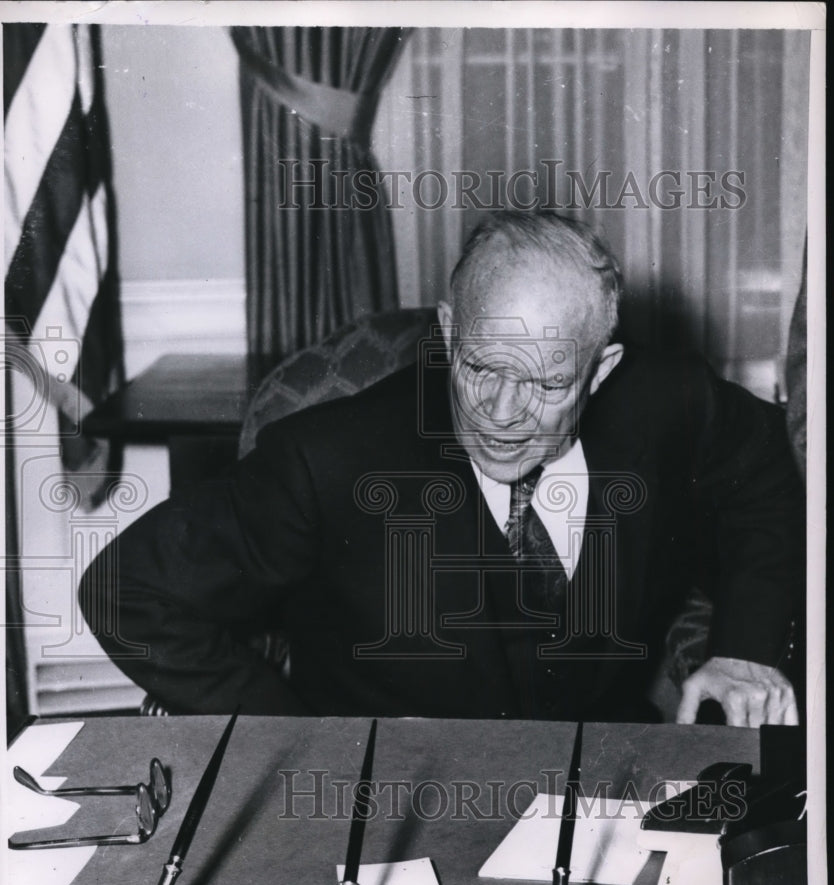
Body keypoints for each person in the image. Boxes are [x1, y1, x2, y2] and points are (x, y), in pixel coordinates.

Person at [79, 211, 804, 725]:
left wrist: (744, 649)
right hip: (386, 814)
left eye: (547, 385)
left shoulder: (666, 400)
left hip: (605, 794)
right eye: (481, 367)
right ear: (450, 329)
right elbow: (124, 590)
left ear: (600, 367)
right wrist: (285, 735)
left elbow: (767, 470)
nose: (500, 412)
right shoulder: (328, 459)